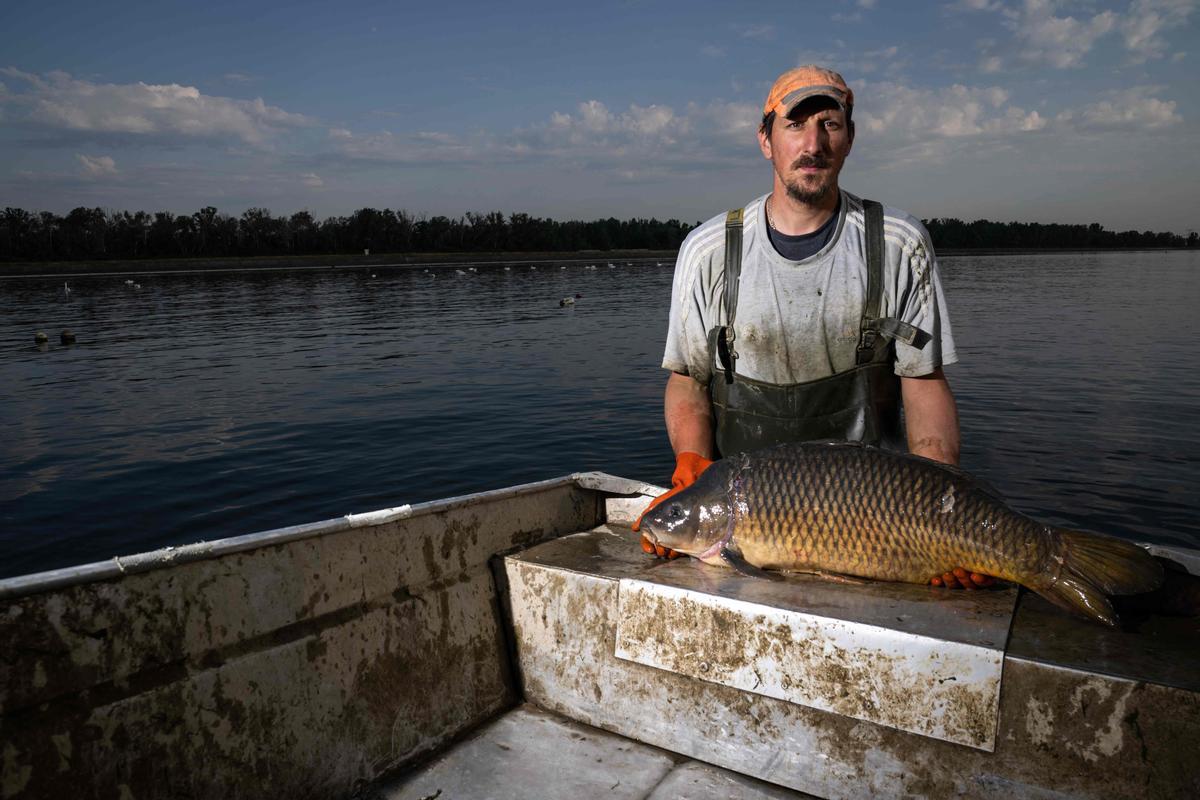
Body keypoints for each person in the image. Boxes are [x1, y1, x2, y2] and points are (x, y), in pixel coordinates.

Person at [637, 65, 989, 590]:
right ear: (765, 140)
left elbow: (923, 383)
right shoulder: (708, 252)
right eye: (794, 125)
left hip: (881, 526)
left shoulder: (898, 244)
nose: (813, 143)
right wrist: (691, 461)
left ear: (850, 138)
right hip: (751, 525)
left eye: (830, 124)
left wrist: (944, 509)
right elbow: (688, 378)